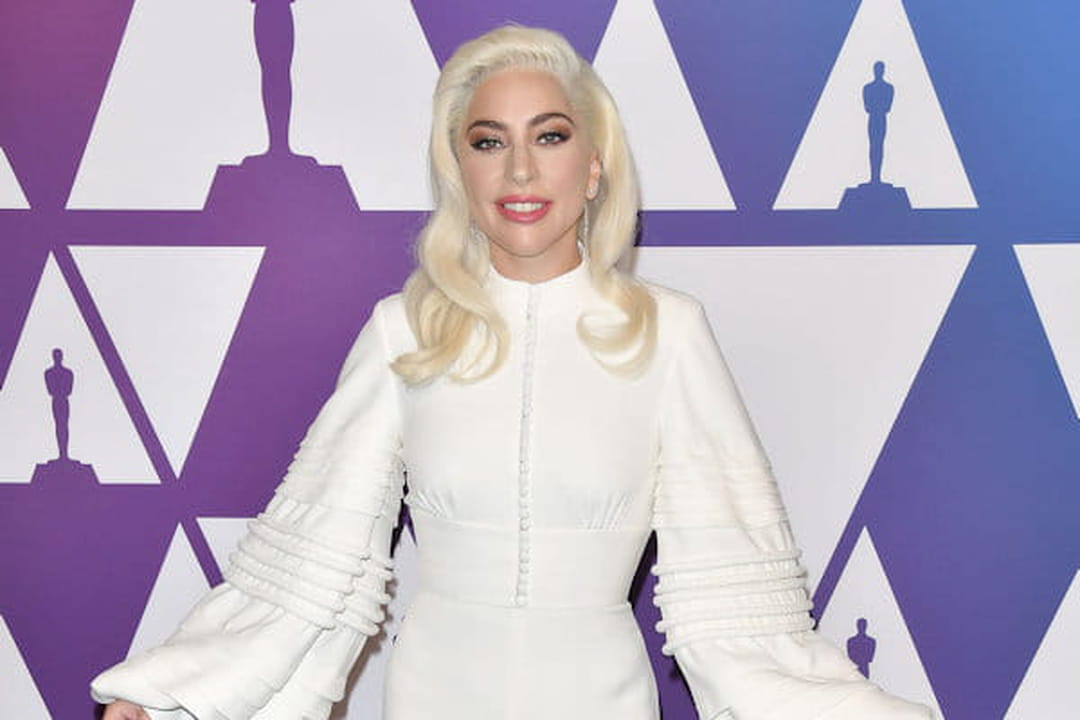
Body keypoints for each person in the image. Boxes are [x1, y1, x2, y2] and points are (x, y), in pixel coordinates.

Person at [95, 25, 933, 720]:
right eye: (489, 142)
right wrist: (172, 696)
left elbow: (733, 594)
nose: (521, 171)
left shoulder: (669, 334)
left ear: (594, 165)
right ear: (460, 170)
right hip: (433, 696)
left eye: (551, 137)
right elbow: (314, 557)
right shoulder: (405, 331)